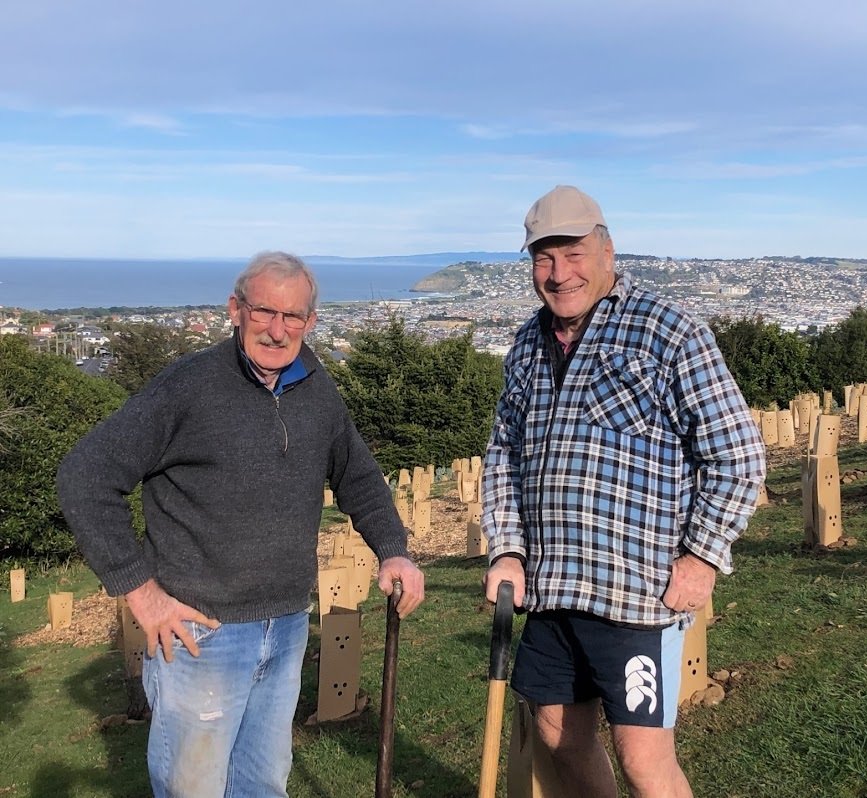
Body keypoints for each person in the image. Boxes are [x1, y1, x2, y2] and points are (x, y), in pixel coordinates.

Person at [57, 252, 424, 798]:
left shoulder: (316, 387)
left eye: (293, 316)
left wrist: (393, 548)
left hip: (286, 627)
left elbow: (359, 476)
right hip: (201, 634)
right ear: (235, 309)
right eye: (264, 312)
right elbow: (85, 475)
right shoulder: (189, 386)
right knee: (194, 788)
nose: (277, 331)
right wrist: (141, 592)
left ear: (311, 321)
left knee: (262, 784)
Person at [482, 186, 766, 798]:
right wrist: (506, 549)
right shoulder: (527, 346)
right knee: (558, 734)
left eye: (574, 253)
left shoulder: (669, 333)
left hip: (637, 592)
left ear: (608, 249)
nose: (560, 274)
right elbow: (503, 452)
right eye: (544, 258)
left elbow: (738, 455)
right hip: (553, 589)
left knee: (643, 757)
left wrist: (703, 555)